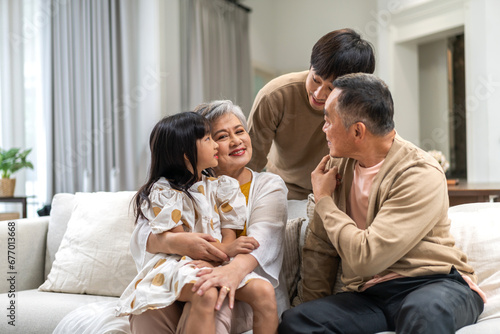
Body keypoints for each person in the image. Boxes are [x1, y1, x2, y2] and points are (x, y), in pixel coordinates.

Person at [278, 73, 485, 333]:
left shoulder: (420, 173)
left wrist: (324, 201)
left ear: (357, 131)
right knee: (297, 321)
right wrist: (310, 306)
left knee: (424, 313)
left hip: (433, 284)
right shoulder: (335, 168)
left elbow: (367, 258)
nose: (324, 128)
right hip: (372, 295)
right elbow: (321, 247)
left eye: (328, 120)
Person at [129, 101, 288, 334]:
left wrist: (218, 264)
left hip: (233, 279)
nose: (236, 141)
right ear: (189, 150)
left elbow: (260, 244)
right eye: (220, 137)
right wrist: (178, 243)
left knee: (209, 297)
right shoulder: (176, 187)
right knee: (150, 310)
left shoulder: (266, 185)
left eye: (240, 131)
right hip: (188, 269)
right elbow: (144, 233)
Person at [247, 28, 375, 200]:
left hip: (338, 192)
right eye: (315, 80)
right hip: (284, 189)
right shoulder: (275, 95)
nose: (319, 94)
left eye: (331, 89)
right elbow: (251, 160)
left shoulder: (362, 108)